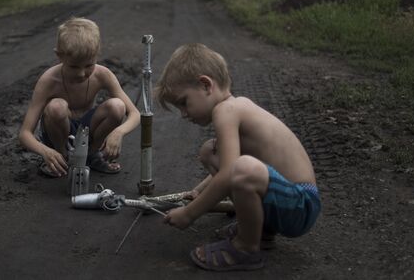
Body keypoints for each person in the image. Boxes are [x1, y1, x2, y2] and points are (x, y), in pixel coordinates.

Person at [155, 43, 320, 271]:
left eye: (184, 102)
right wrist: (199, 191)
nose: (184, 114)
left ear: (206, 85)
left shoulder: (227, 111)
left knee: (242, 168)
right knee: (210, 151)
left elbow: (230, 172)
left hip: (301, 204)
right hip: (285, 199)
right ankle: (259, 230)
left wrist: (189, 214)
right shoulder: (234, 108)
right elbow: (226, 167)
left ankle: (245, 247)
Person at [18, 17, 140, 178]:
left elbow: (135, 114)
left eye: (89, 65)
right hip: (57, 134)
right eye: (74, 66)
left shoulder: (102, 74)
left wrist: (118, 132)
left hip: (88, 132)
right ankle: (61, 158)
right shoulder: (48, 80)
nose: (82, 73)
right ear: (59, 56)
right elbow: (25, 133)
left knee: (117, 106)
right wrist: (45, 151)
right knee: (56, 106)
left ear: (97, 54)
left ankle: (92, 154)